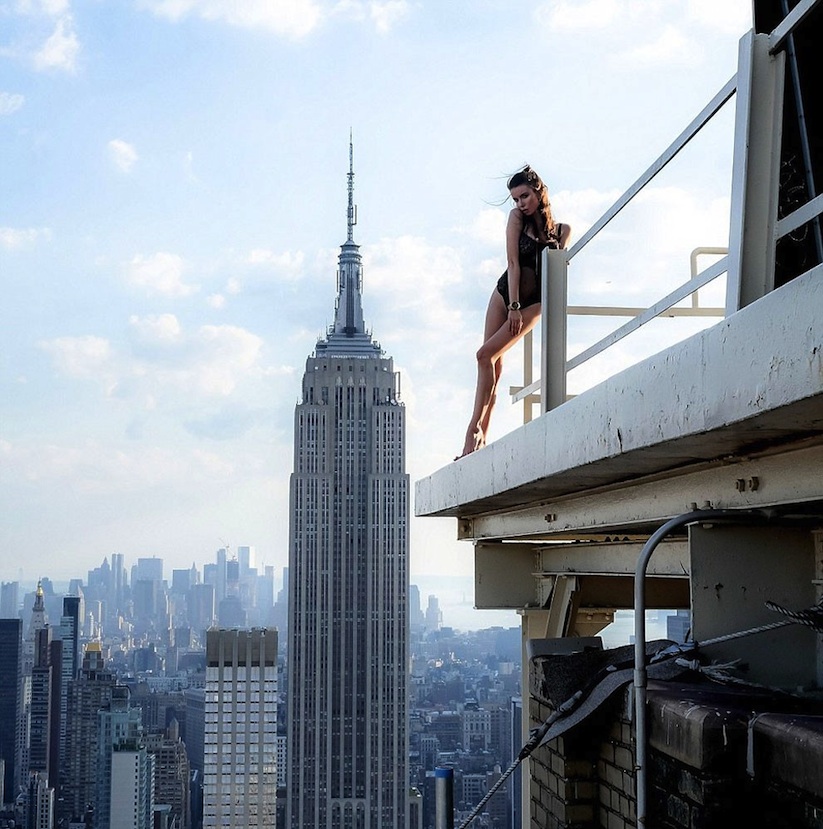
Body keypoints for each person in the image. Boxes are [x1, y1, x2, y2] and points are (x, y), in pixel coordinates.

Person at [457, 165, 571, 459]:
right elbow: (513, 261)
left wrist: (522, 309)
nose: (521, 203)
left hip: (535, 303)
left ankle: (473, 433)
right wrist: (513, 306)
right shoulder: (517, 219)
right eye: (516, 199)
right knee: (490, 364)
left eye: (524, 196)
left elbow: (556, 271)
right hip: (507, 294)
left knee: (485, 355)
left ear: (539, 191)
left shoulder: (562, 232)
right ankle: (477, 440)